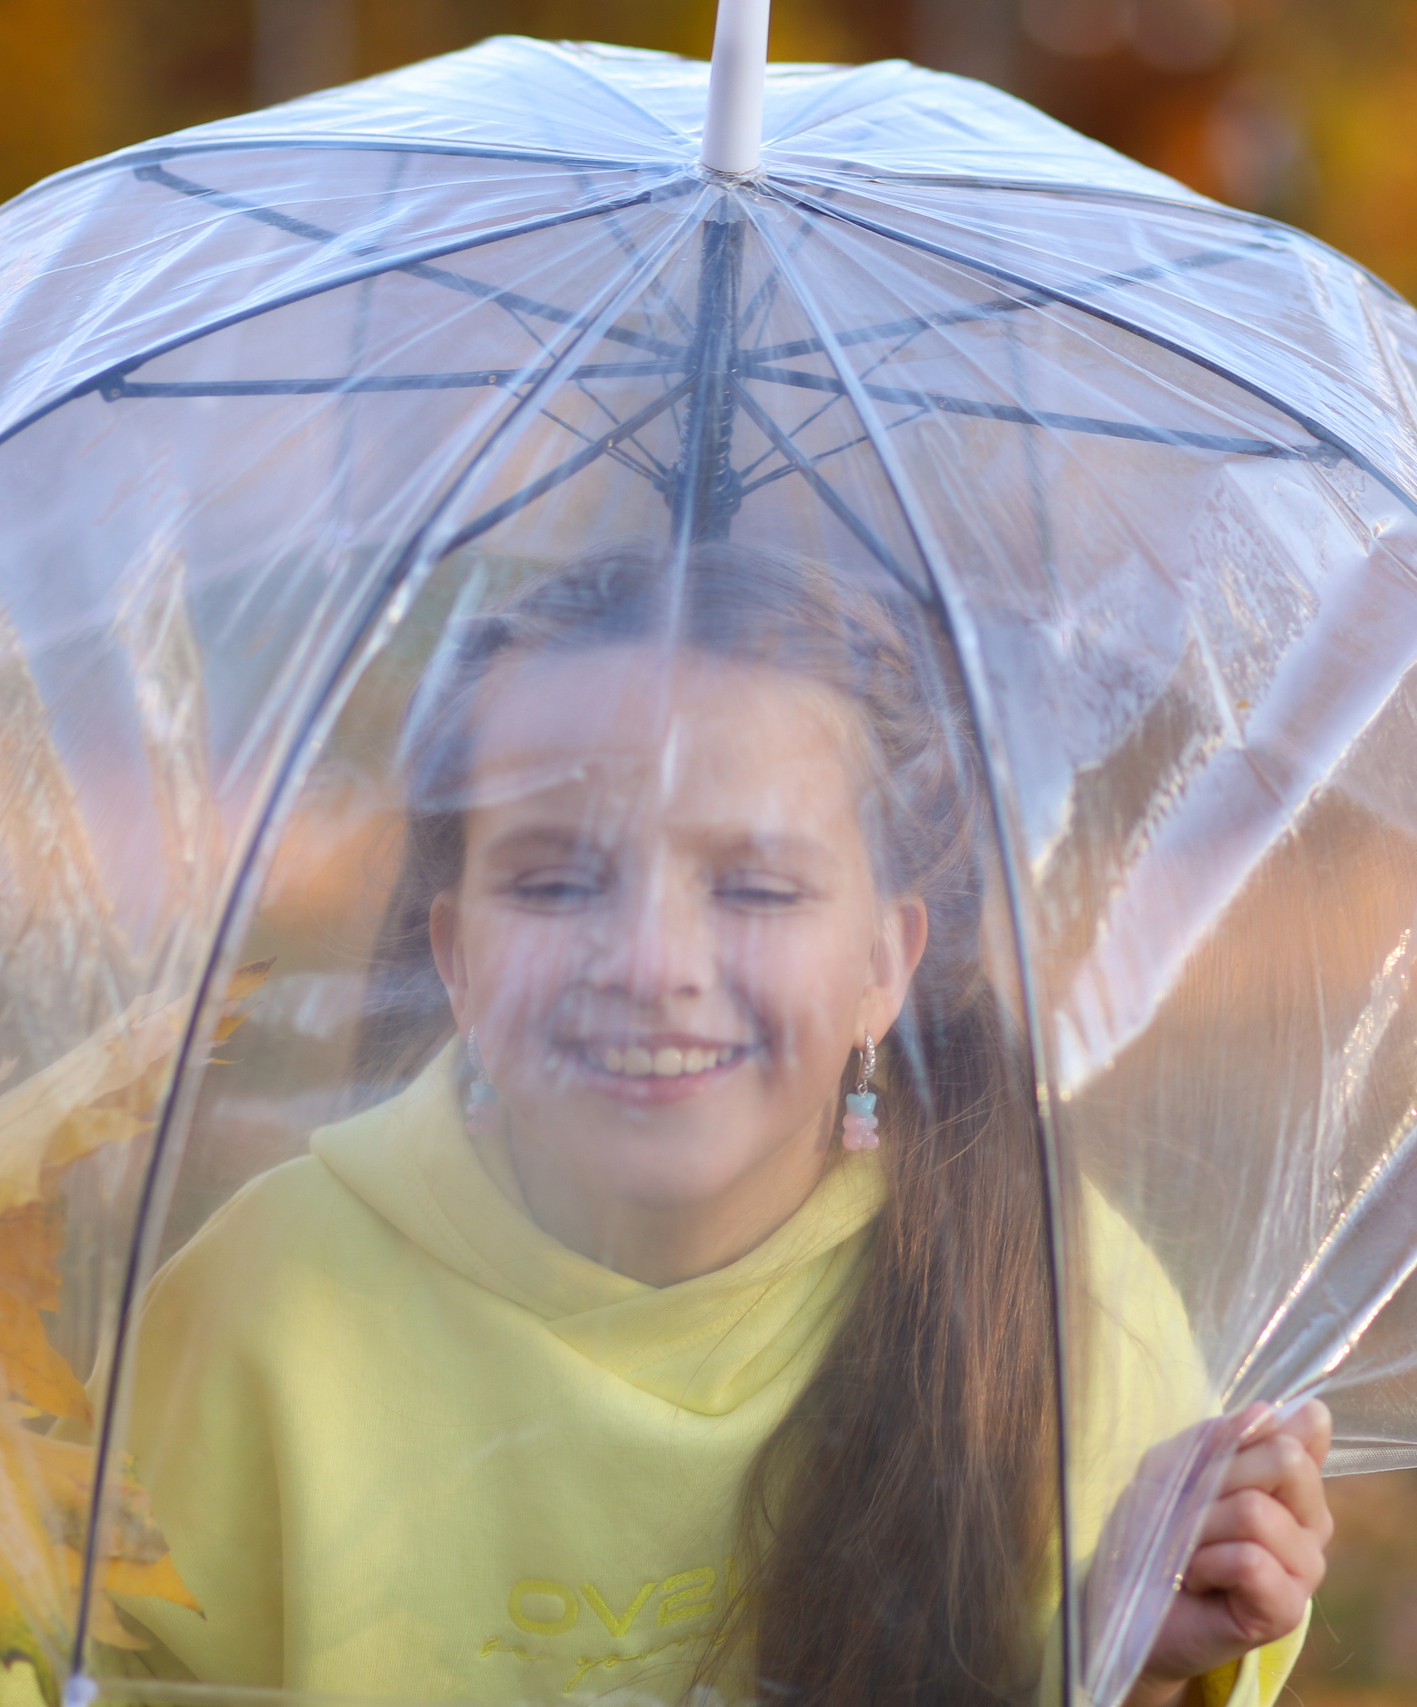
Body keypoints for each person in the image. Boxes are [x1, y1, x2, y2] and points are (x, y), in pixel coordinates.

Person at [106, 542, 1334, 1707]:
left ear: (881, 963)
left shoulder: (1054, 1309)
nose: (651, 961)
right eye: (555, 879)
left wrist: (1130, 1664)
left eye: (753, 885)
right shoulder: (258, 1305)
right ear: (457, 957)